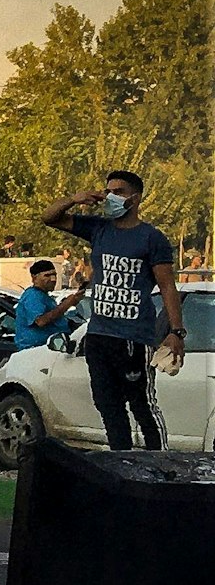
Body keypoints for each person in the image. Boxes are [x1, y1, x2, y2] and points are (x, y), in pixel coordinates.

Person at [43, 169, 185, 451]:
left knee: (141, 404)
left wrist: (176, 332)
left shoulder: (151, 238)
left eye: (118, 192)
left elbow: (168, 287)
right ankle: (121, 460)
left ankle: (160, 463)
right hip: (99, 335)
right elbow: (49, 218)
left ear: (135, 198)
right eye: (108, 191)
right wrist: (75, 198)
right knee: (108, 405)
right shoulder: (98, 228)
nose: (110, 197)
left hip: (133, 338)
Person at [14, 259, 84, 351]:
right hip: (36, 351)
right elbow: (41, 321)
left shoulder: (45, 296)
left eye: (54, 275)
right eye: (47, 275)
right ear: (34, 278)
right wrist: (66, 305)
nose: (53, 279)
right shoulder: (33, 296)